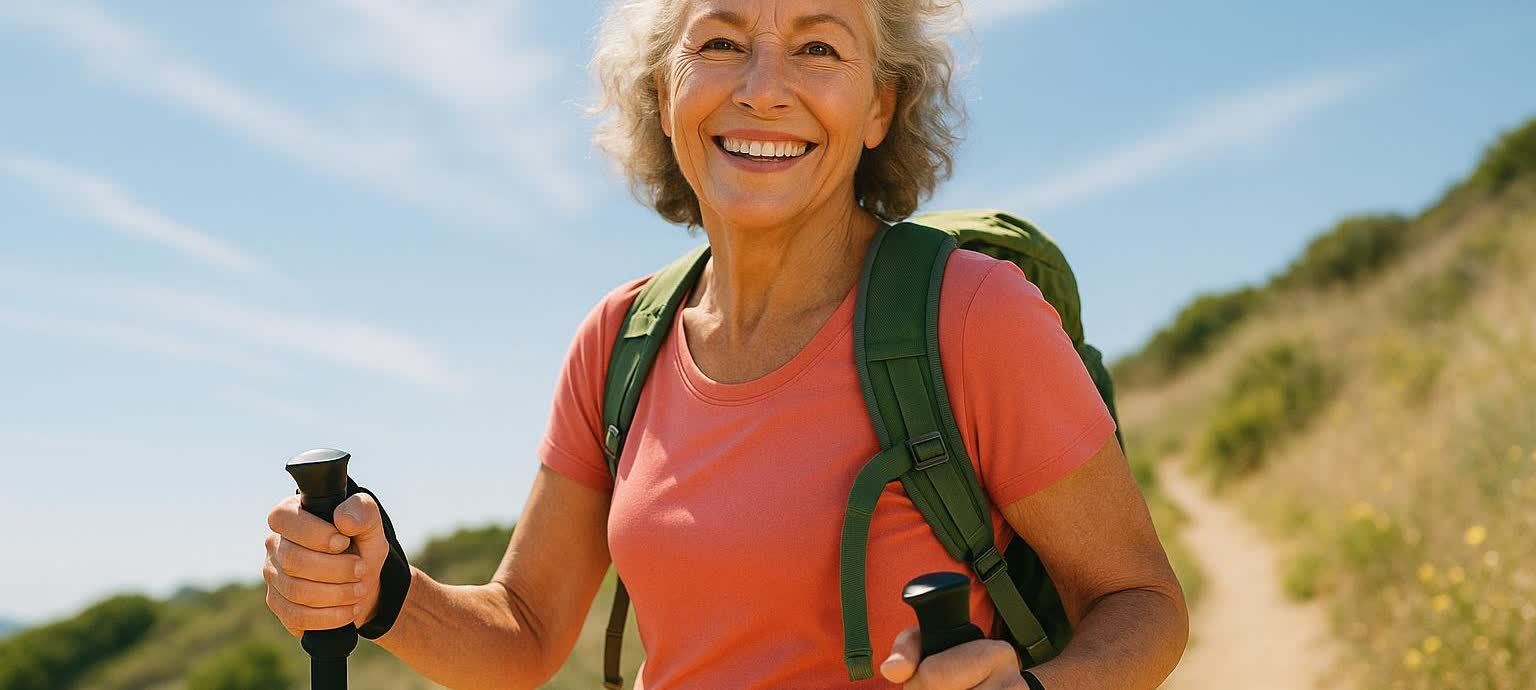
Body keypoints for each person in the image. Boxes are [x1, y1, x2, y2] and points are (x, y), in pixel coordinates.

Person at [262, 1, 1188, 688]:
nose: (762, 89)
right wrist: (382, 594)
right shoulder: (617, 343)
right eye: (720, 43)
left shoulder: (972, 313)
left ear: (878, 108)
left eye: (819, 47)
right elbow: (529, 629)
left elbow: (1141, 605)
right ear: (665, 93)